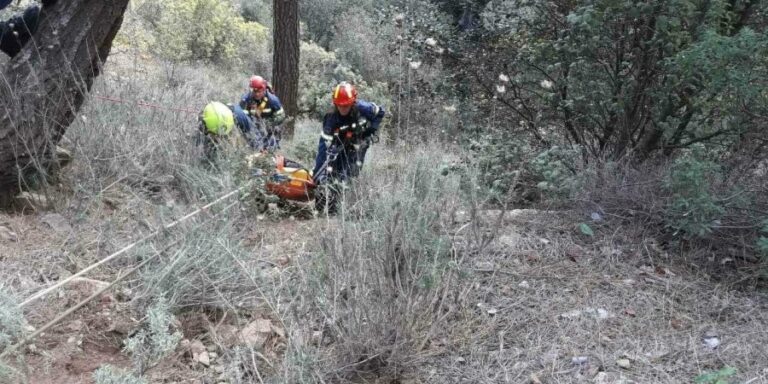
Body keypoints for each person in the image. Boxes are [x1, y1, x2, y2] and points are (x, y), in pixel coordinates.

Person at [312, 82, 385, 182]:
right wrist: (316, 172)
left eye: (346, 105)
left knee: (350, 173)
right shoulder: (331, 118)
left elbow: (380, 112)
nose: (343, 109)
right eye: (340, 105)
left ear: (353, 103)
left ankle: (347, 189)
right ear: (335, 104)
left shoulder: (363, 108)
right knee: (333, 172)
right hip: (340, 142)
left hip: (360, 141)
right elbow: (323, 146)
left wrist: (372, 128)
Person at [239, 75, 286, 151]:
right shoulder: (246, 100)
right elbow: (242, 116)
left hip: (270, 128)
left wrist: (266, 123)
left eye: (259, 91)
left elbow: (281, 116)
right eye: (255, 91)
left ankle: (273, 150)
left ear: (264, 89)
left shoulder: (273, 100)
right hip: (253, 128)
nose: (257, 94)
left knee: (275, 133)